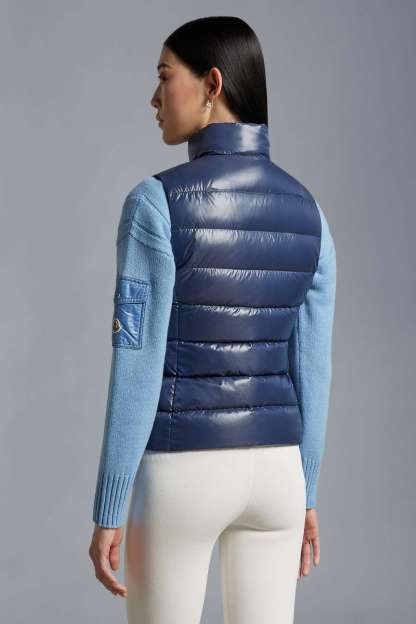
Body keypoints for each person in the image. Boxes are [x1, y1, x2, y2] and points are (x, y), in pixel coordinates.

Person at [89, 16, 337, 624]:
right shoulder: (311, 213)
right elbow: (312, 366)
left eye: (164, 77)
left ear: (212, 84)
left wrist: (110, 507)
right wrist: (306, 491)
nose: (154, 98)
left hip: (182, 473)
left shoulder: (154, 203)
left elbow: (136, 361)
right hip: (277, 476)